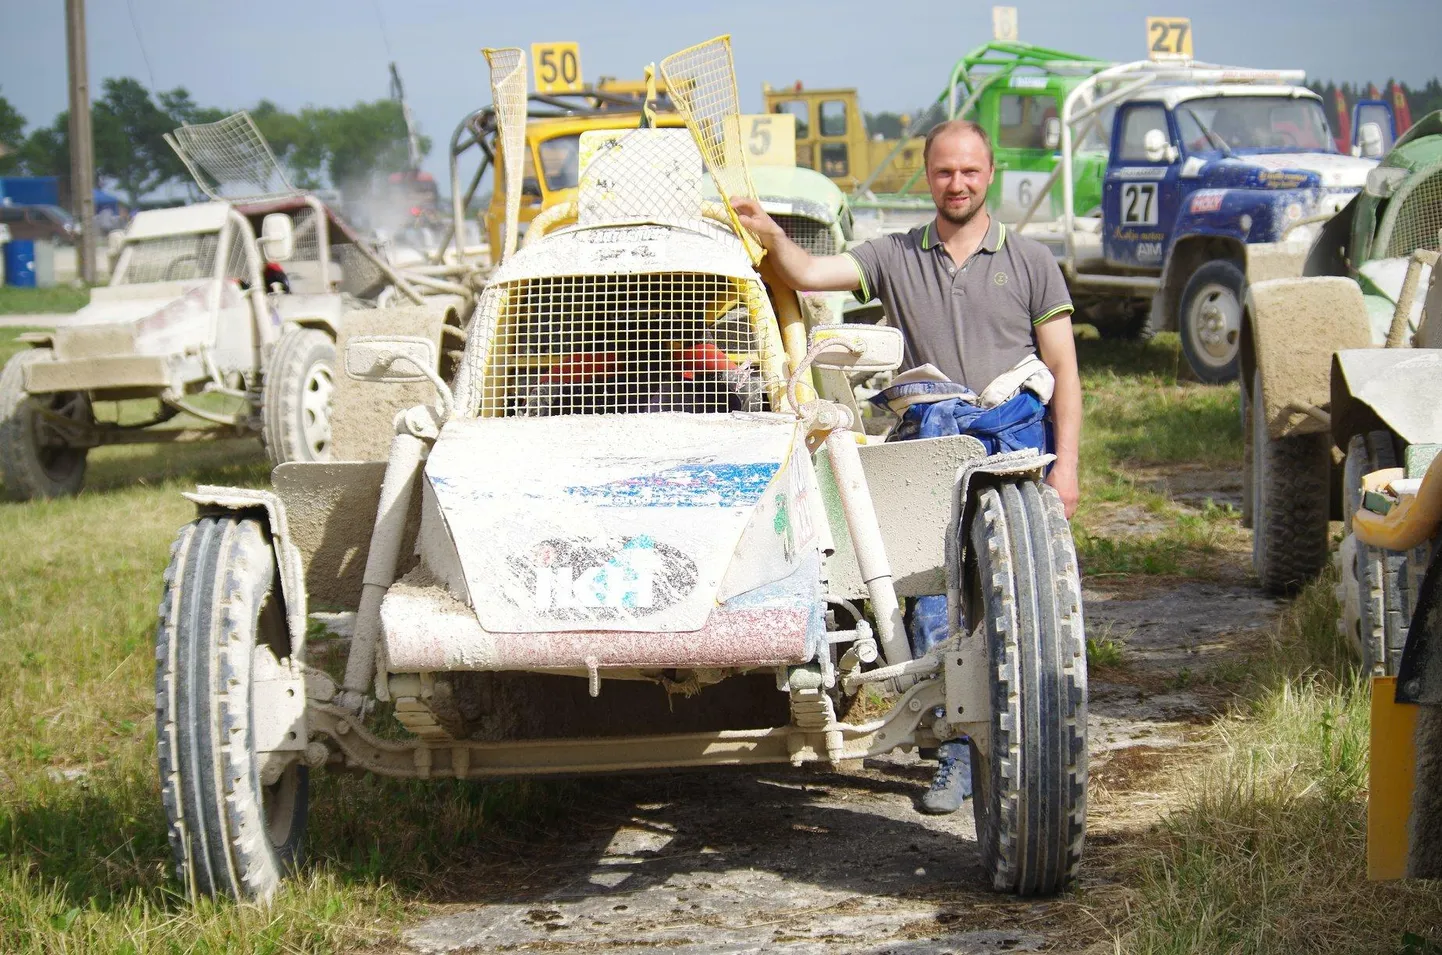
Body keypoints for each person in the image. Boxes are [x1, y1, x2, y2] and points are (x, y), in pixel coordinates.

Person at [731, 119, 1081, 815]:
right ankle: (956, 749)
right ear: (928, 177)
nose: (958, 183)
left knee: (1023, 604)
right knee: (930, 596)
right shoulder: (893, 255)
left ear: (990, 173)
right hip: (929, 445)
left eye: (971, 171)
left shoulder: (1034, 262)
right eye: (945, 172)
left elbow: (1065, 370)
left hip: (1013, 445)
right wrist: (769, 233)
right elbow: (805, 274)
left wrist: (1066, 468)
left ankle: (1025, 750)